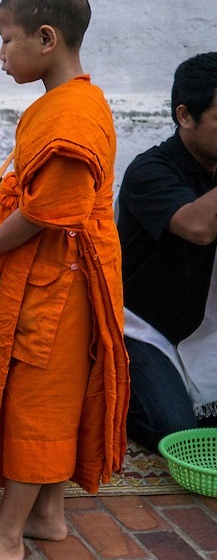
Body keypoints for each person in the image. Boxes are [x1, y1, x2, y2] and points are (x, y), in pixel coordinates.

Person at [0, 0, 128, 560]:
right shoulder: (66, 103)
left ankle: (6, 536)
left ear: (46, 38)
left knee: (37, 402)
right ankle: (48, 514)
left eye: (7, 39)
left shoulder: (72, 114)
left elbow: (51, 212)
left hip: (63, 280)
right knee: (52, 395)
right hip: (57, 274)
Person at [118, 52, 217, 450]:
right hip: (144, 329)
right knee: (177, 433)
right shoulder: (149, 170)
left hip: (207, 327)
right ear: (185, 116)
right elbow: (197, 226)